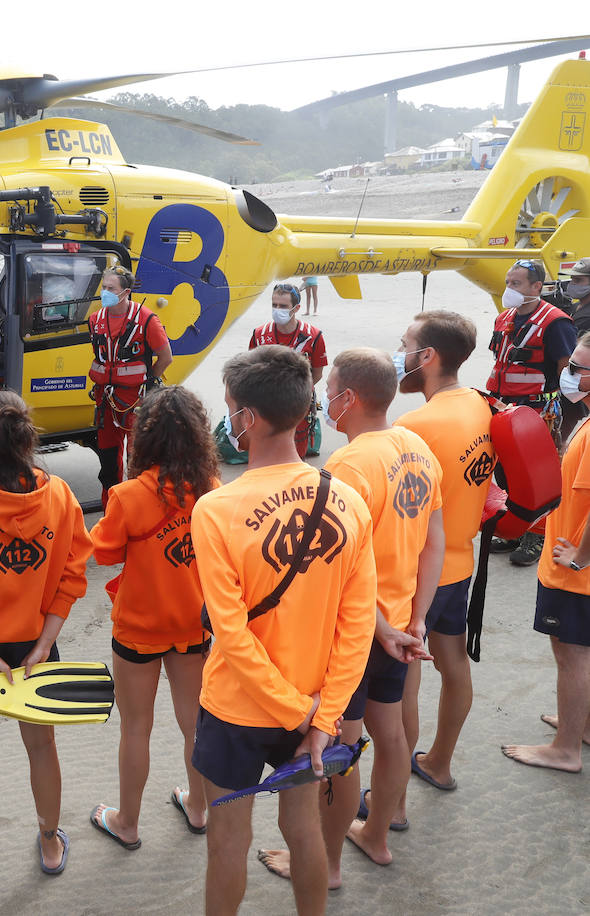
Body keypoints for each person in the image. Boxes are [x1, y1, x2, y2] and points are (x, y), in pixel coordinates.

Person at [192, 345, 376, 915]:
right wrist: (322, 718)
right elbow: (358, 622)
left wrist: (298, 711)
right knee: (304, 835)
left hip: (239, 708)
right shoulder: (348, 500)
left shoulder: (217, 509)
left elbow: (231, 634)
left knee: (228, 841)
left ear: (245, 418)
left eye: (229, 408)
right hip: (320, 701)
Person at [257, 348, 442, 887]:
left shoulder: (346, 466)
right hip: (402, 623)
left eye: (329, 388)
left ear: (349, 398)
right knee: (390, 735)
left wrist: (380, 628)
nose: (323, 400)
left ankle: (327, 862)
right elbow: (436, 542)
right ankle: (376, 835)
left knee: (341, 747)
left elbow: (334, 570)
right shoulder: (416, 447)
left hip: (360, 636)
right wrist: (416, 621)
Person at [0, 390, 93, 875]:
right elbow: (71, 575)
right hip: (35, 643)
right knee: (41, 746)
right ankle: (50, 844)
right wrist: (45, 645)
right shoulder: (60, 494)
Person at [88, 386, 218, 847]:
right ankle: (199, 809)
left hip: (139, 627)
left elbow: (102, 552)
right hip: (191, 624)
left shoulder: (128, 496)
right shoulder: (211, 491)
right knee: (195, 723)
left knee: (135, 727)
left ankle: (127, 822)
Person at [394, 310, 495, 809]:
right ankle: (439, 762)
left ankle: (390, 804)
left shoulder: (417, 426)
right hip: (461, 564)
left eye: (405, 344)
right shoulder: (479, 404)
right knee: (454, 665)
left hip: (420, 576)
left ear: (427, 356)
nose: (400, 353)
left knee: (405, 686)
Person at [501, 332, 590, 773]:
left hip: (575, 572)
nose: (568, 373)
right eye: (570, 363)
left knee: (571, 654)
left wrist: (581, 556)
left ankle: (566, 748)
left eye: (579, 368)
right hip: (573, 566)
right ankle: (583, 725)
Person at [488, 258, 576, 565]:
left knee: (536, 477)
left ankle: (537, 536)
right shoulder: (504, 319)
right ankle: (517, 529)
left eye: (516, 284)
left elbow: (568, 371)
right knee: (506, 472)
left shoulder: (555, 322)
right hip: (503, 408)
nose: (509, 289)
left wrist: (559, 420)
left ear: (536, 287)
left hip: (538, 411)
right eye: (508, 283)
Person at [88, 266, 173, 506]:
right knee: (108, 464)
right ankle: (112, 509)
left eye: (110, 289)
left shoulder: (147, 320)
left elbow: (165, 357)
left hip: (136, 403)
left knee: (139, 461)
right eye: (103, 288)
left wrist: (148, 381)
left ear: (125, 292)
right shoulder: (95, 320)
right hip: (105, 402)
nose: (105, 292)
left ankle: (140, 508)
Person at [248, 283, 328, 458]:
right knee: (265, 456)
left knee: (296, 457)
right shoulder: (259, 334)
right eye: (274, 305)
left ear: (296, 308)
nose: (277, 310)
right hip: (266, 407)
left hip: (299, 406)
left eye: (283, 306)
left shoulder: (313, 336)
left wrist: (293, 392)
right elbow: (250, 371)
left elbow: (317, 373)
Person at [548, 258, 590, 438]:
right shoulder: (575, 307)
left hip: (580, 387)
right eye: (572, 280)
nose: (572, 285)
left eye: (579, 280)